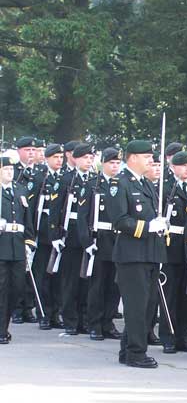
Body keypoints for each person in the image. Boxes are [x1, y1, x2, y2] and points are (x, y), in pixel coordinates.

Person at [106, 140, 168, 368]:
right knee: (136, 307)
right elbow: (120, 220)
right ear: (132, 158)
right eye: (146, 157)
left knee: (148, 306)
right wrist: (147, 227)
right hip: (132, 255)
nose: (151, 160)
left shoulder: (147, 184)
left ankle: (127, 349)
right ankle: (136, 353)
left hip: (150, 253)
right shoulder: (119, 183)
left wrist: (159, 224)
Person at [78, 147, 122, 341]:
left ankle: (108, 322)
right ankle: (94, 324)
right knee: (97, 285)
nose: (115, 166)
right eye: (111, 163)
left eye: (117, 163)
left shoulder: (122, 184)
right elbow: (82, 217)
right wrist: (87, 242)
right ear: (103, 163)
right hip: (99, 239)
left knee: (115, 286)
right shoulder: (92, 184)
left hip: (118, 239)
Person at [53, 142, 95, 334]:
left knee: (86, 280)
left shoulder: (95, 180)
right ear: (75, 159)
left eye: (91, 158)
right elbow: (55, 210)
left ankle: (84, 319)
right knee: (70, 280)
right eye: (85, 157)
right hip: (70, 235)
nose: (88, 161)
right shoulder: (66, 179)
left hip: (89, 235)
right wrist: (55, 235)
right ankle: (70, 320)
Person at [160, 150, 187, 353]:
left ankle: (184, 336)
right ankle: (168, 337)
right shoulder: (166, 188)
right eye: (183, 165)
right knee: (170, 295)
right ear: (173, 167)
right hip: (171, 245)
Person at [0, 155, 36, 343]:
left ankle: (4, 325)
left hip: (17, 247)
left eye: (11, 170)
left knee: (16, 288)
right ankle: (1, 330)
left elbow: (27, 220)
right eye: (5, 170)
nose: (9, 172)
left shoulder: (20, 190)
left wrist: (29, 243)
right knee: (2, 289)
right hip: (2, 247)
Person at [31, 144, 65, 330]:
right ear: (47, 159)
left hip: (59, 233)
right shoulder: (39, 178)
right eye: (55, 157)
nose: (59, 160)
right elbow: (32, 209)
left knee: (56, 276)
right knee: (43, 275)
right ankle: (43, 313)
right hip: (43, 234)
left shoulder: (64, 178)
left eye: (61, 157)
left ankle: (55, 313)